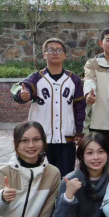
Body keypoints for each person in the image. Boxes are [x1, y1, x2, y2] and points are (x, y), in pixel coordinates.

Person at [12, 38, 85, 177]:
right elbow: (19, 88)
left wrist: (80, 131)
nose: (55, 53)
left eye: (59, 50)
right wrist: (22, 95)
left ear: (65, 55)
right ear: (44, 54)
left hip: (66, 139)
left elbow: (80, 108)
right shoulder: (36, 78)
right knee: (40, 177)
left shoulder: (73, 79)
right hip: (41, 140)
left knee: (65, 178)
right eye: (50, 50)